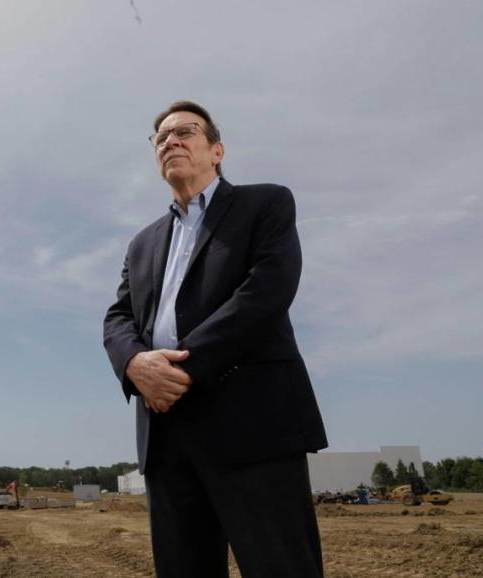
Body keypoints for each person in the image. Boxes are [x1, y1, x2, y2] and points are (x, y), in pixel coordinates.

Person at [103, 101, 328, 577]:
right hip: (166, 434)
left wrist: (178, 368)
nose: (170, 142)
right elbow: (119, 316)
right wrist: (134, 365)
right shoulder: (142, 243)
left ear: (217, 150)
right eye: (161, 138)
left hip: (252, 423)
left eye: (185, 132)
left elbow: (267, 292)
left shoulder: (265, 204)